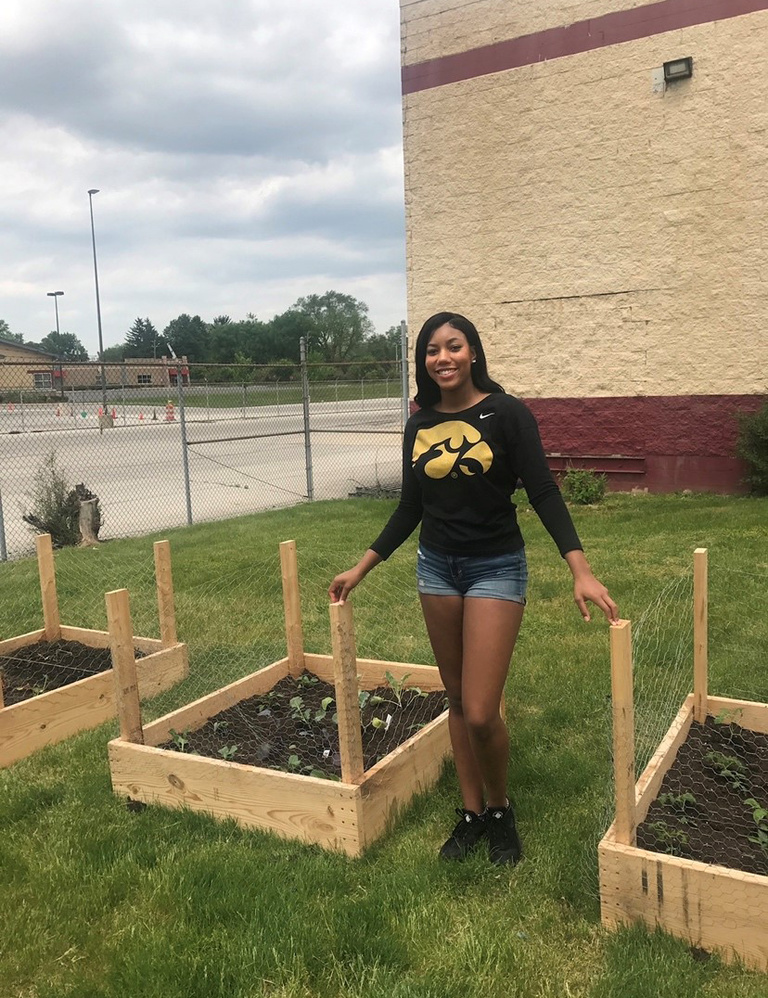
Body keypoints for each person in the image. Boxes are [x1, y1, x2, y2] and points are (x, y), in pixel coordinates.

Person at [329, 312, 618, 866]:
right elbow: (412, 507)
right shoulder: (419, 424)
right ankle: (471, 814)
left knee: (482, 710)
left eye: (453, 346)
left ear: (473, 352)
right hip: (437, 569)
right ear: (423, 362)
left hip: (495, 567)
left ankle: (501, 806)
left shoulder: (507, 414)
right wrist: (362, 566)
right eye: (432, 350)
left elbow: (543, 492)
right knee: (457, 700)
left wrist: (579, 569)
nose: (443, 358)